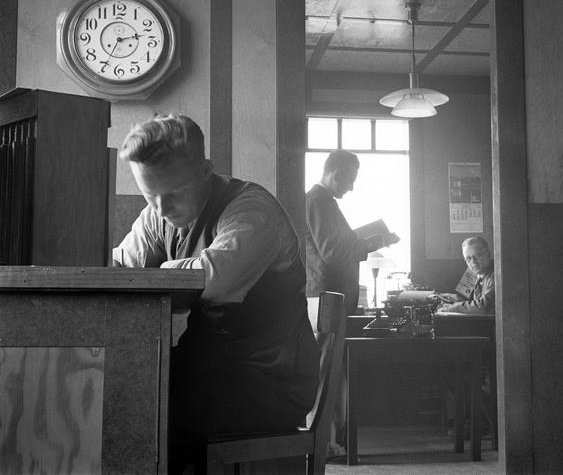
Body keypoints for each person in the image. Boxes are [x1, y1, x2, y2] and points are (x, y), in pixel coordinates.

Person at [112, 114, 319, 473]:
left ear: (205, 171)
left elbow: (213, 277)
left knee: (148, 408)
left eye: (174, 194)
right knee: (121, 390)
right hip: (208, 372)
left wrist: (154, 273)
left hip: (270, 380)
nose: (161, 209)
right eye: (150, 195)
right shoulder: (158, 214)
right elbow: (119, 271)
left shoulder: (253, 209)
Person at [305, 149, 397, 313]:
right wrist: (376, 242)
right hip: (328, 299)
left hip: (329, 297)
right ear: (336, 175)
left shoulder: (322, 200)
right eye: (350, 181)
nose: (352, 188)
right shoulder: (318, 201)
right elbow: (332, 253)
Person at [433, 236, 495, 314]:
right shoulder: (473, 274)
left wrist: (453, 307)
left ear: (488, 254)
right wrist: (460, 300)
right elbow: (477, 304)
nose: (473, 262)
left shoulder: (497, 275)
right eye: (468, 259)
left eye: (478, 256)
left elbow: (484, 306)